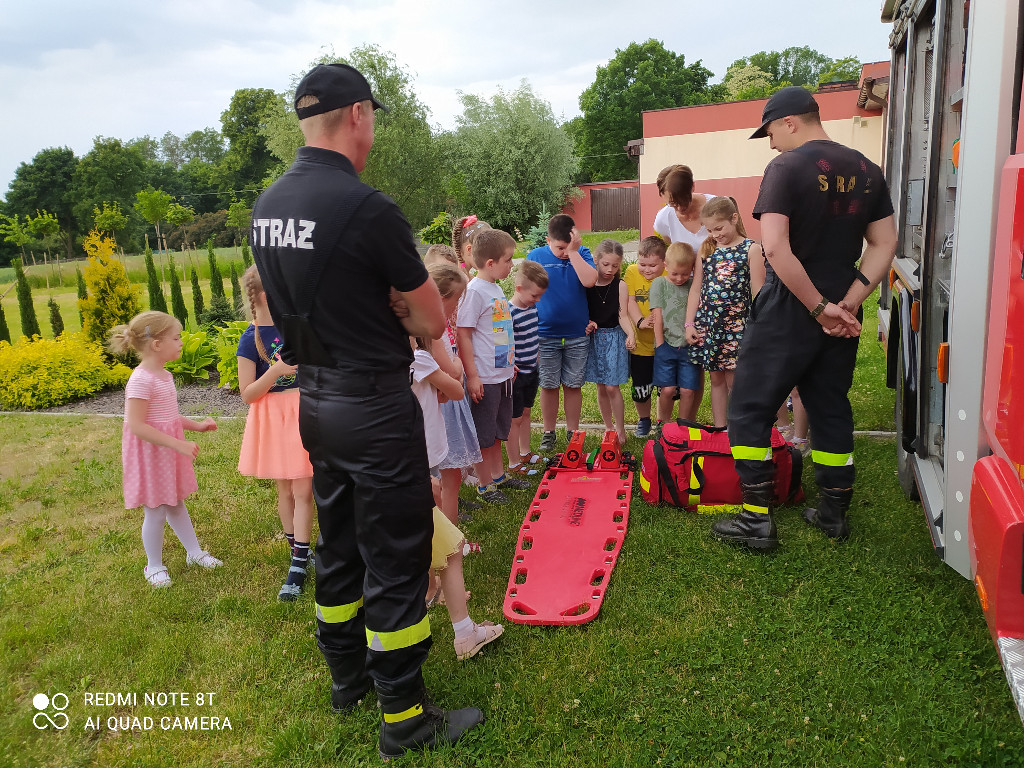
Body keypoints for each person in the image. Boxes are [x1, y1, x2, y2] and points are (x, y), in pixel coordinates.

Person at [249, 62, 482, 759]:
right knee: (397, 557)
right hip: (375, 405)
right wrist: (404, 311)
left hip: (317, 402)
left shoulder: (267, 205)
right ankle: (404, 716)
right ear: (358, 114)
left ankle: (346, 678)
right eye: (373, 116)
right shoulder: (367, 207)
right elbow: (432, 321)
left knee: (340, 544)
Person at [711, 86, 897, 551]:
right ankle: (833, 512)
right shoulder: (868, 170)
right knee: (829, 404)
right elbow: (884, 243)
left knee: (749, 408)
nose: (771, 143)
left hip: (791, 305)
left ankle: (756, 519)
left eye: (770, 132)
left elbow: (775, 247)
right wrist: (846, 304)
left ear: (790, 121)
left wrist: (817, 307)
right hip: (842, 303)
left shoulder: (786, 168)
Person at [109, 311, 222, 589]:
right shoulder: (140, 380)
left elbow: (168, 417)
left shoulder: (164, 375)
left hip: (166, 452)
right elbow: (137, 425)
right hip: (150, 455)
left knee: (175, 502)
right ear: (157, 344)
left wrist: (197, 426)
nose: (181, 342)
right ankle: (154, 566)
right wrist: (178, 444)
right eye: (176, 338)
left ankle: (194, 552)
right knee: (157, 510)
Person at [409, 336, 504, 661]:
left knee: (437, 544)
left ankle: (432, 597)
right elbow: (453, 390)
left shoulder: (381, 363)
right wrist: (455, 365)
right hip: (407, 470)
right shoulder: (418, 360)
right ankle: (461, 633)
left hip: (405, 467)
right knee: (447, 547)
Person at [236, 265, 315, 601]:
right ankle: (299, 552)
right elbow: (248, 393)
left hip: (303, 414)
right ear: (268, 295)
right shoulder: (249, 339)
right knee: (285, 490)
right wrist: (276, 371)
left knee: (303, 489)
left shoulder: (295, 328)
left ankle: (298, 562)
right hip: (273, 419)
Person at [456, 228, 530, 503]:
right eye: (508, 260)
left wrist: (509, 364)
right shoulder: (474, 292)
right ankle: (485, 485)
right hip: (484, 378)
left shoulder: (495, 288)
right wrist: (473, 376)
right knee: (484, 434)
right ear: (490, 263)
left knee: (499, 430)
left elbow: (498, 332)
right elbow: (463, 334)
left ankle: (499, 476)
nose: (511, 265)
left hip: (502, 375)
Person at [685, 197, 760, 427]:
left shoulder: (751, 249)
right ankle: (721, 429)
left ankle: (740, 428)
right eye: (709, 230)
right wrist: (689, 324)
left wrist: (760, 329)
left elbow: (759, 293)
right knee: (715, 378)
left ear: (734, 218)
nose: (715, 234)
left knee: (734, 382)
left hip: (738, 328)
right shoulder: (707, 249)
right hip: (710, 326)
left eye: (719, 228)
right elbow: (696, 289)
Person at [527, 214, 598, 451]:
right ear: (548, 240)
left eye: (569, 247)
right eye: (560, 248)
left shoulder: (581, 253)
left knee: (573, 384)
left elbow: (590, 281)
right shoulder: (536, 257)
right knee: (548, 384)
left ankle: (572, 431)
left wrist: (574, 252)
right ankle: (548, 432)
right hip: (545, 334)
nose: (564, 253)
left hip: (577, 334)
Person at [426, 262, 484, 525]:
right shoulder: (434, 330)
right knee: (448, 477)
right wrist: (458, 362)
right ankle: (449, 535)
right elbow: (453, 371)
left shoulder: (436, 326)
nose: (459, 306)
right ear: (441, 298)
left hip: (446, 403)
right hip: (443, 408)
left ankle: (451, 532)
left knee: (451, 478)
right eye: (457, 299)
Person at [584, 239, 635, 445]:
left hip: (614, 337)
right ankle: (608, 427)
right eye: (606, 264)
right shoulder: (588, 284)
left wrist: (630, 334)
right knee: (601, 386)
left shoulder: (620, 285)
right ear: (596, 260)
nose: (610, 270)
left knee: (612, 387)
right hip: (595, 339)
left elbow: (623, 315)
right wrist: (587, 323)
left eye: (615, 265)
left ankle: (620, 429)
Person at [505, 260, 549, 475]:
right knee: (514, 419)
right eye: (534, 295)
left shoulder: (531, 308)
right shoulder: (509, 312)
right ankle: (513, 463)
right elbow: (504, 342)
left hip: (532, 370)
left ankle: (525, 452)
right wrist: (510, 365)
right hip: (516, 374)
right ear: (519, 288)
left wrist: (536, 357)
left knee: (526, 413)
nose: (537, 300)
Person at [651, 242, 700, 429]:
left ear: (692, 269)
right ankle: (663, 425)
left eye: (685, 274)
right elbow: (657, 316)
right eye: (675, 274)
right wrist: (660, 345)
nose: (680, 278)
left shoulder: (692, 285)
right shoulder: (659, 284)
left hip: (688, 347)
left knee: (688, 391)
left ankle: (682, 427)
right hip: (666, 345)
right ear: (666, 266)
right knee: (668, 389)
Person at [625, 236, 666, 436]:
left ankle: (661, 422)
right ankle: (644, 419)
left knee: (664, 386)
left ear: (664, 262)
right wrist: (640, 321)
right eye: (643, 264)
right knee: (641, 387)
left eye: (652, 265)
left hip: (664, 342)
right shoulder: (632, 271)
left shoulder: (669, 273)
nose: (647, 270)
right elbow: (629, 300)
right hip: (640, 344)